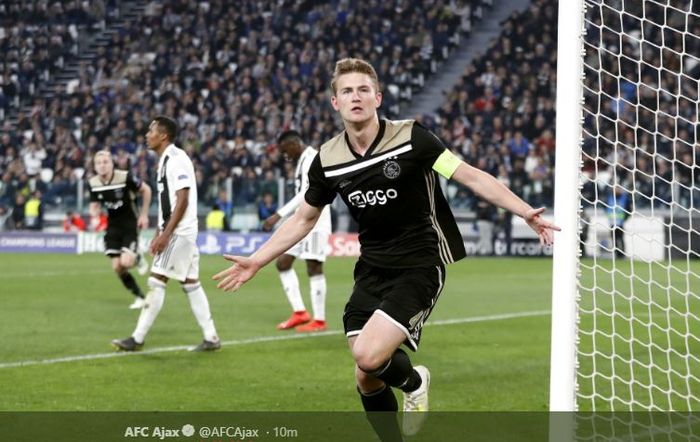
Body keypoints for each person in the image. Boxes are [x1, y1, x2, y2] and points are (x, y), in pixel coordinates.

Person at [214, 58, 559, 440]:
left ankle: (413, 382)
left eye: (363, 89)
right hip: (371, 268)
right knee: (365, 375)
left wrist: (525, 211)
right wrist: (258, 260)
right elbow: (303, 218)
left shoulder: (414, 138)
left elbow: (469, 175)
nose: (355, 97)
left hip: (419, 264)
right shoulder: (327, 160)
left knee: (368, 356)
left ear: (377, 97)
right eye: (347, 91)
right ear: (335, 103)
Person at [112, 116, 221, 352]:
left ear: (163, 136)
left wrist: (166, 234)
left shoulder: (177, 159)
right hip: (178, 231)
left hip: (179, 232)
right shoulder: (165, 161)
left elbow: (183, 200)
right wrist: (160, 230)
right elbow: (169, 202)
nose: (146, 134)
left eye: (151, 130)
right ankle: (211, 337)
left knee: (156, 281)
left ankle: (137, 338)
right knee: (191, 283)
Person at [261, 130, 332, 333]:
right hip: (301, 220)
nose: (285, 156)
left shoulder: (311, 158)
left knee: (314, 267)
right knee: (283, 263)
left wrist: (278, 214)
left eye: (285, 151)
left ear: (294, 143)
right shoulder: (302, 160)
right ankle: (300, 313)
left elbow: (306, 192)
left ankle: (319, 320)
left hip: (317, 220)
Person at [88, 150, 152, 309]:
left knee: (125, 261)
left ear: (111, 164)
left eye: (105, 162)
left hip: (130, 223)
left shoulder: (125, 177)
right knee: (117, 267)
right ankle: (140, 297)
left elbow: (147, 190)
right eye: (99, 163)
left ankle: (137, 257)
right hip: (112, 226)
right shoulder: (93, 183)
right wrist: (94, 214)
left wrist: (143, 215)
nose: (102, 165)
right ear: (95, 167)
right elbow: (94, 204)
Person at [606, 184, 630, 258]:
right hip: (612, 222)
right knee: (614, 239)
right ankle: (616, 254)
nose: (616, 190)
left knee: (621, 239)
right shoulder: (609, 198)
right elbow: (605, 208)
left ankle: (622, 254)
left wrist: (625, 218)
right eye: (615, 189)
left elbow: (629, 210)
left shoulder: (625, 198)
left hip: (620, 223)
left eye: (618, 189)